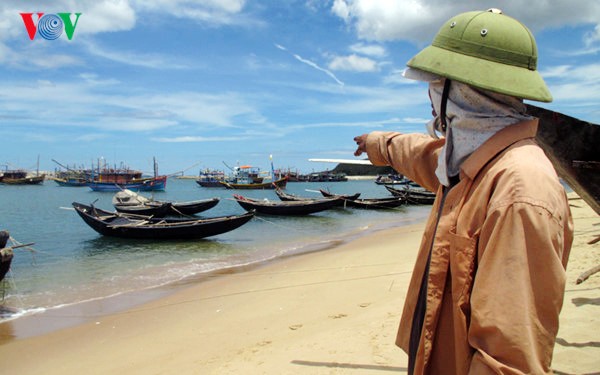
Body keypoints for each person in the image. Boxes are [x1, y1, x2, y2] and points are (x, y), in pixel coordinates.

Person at [353, 9, 573, 375]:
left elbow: (508, 357)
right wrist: (379, 144)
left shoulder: (519, 190)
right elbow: (422, 155)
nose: (431, 93)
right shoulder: (473, 161)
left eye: (437, 83)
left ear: (460, 89)